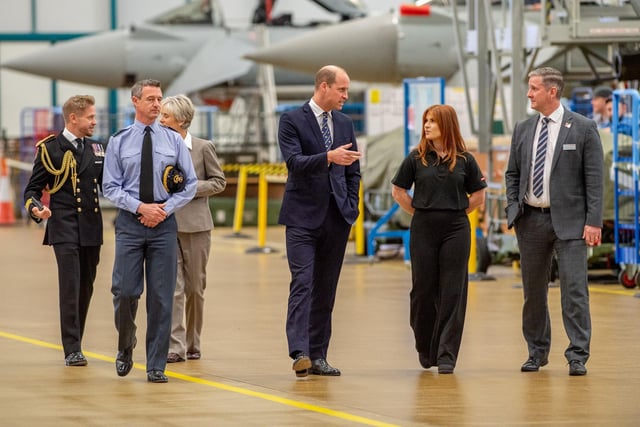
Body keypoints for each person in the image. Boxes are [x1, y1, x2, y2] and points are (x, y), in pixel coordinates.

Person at [505, 66, 603, 376]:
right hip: (531, 221)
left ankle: (577, 355)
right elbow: (512, 173)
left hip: (572, 223)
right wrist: (513, 208)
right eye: (529, 87)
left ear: (552, 91)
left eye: (534, 88)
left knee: (574, 290)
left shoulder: (583, 128)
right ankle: (536, 352)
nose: (529, 94)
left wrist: (594, 221)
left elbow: (594, 179)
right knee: (533, 292)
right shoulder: (523, 129)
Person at [102, 79, 197, 383]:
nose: (157, 105)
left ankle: (156, 364)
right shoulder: (119, 141)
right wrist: (140, 208)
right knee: (126, 291)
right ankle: (126, 343)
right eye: (151, 99)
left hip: (163, 224)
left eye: (159, 99)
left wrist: (163, 210)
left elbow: (190, 184)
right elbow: (110, 187)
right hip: (131, 223)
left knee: (161, 296)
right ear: (135, 101)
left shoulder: (173, 140)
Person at [278, 65, 361, 378]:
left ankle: (319, 355)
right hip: (301, 218)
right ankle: (299, 351)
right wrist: (328, 157)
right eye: (341, 89)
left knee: (326, 289)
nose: (345, 96)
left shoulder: (343, 123)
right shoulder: (291, 120)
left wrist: (350, 206)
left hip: (336, 218)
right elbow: (294, 163)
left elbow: (352, 170)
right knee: (303, 282)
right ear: (323, 87)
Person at [391, 104, 487, 374]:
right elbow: (398, 191)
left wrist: (455, 212)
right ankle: (425, 346)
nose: (427, 125)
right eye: (425, 121)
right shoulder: (416, 158)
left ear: (447, 124)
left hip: (456, 228)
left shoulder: (466, 159)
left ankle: (447, 354)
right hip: (423, 227)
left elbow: (478, 196)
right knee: (423, 290)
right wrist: (421, 211)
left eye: (432, 121)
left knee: (453, 291)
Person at [23, 95, 104, 367]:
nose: (95, 121)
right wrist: (36, 209)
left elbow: (112, 184)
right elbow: (32, 190)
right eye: (91, 117)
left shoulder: (97, 149)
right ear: (74, 118)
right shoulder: (50, 149)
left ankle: (76, 341)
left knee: (86, 288)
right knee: (70, 287)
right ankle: (72, 348)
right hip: (65, 227)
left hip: (91, 228)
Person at [159, 95, 226, 363]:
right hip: (166, 225)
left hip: (196, 226)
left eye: (166, 116)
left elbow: (218, 182)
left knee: (195, 288)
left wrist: (189, 188)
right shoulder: (157, 149)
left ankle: (193, 342)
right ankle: (174, 346)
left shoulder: (202, 148)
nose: (160, 120)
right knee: (173, 288)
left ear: (182, 120)